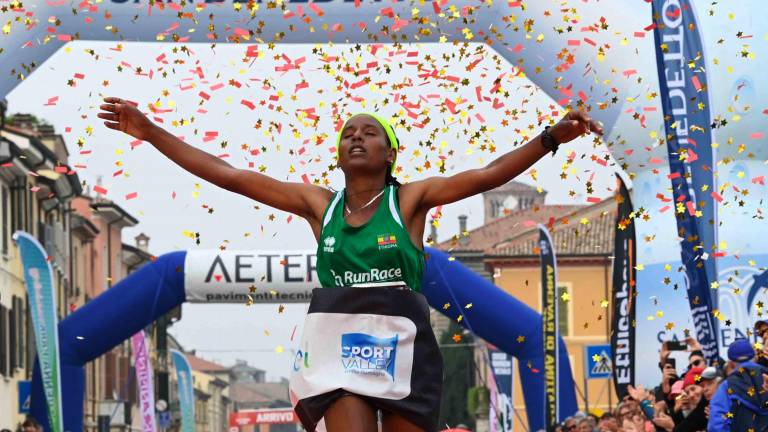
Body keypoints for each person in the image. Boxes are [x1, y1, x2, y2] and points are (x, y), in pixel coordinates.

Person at [97, 98, 602, 432]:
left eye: (369, 133)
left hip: (404, 346)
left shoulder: (410, 200)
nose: (356, 138)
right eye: (347, 135)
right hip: (338, 351)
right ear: (339, 156)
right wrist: (150, 131)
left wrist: (553, 137)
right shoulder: (322, 206)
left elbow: (489, 174)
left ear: (390, 153)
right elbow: (229, 175)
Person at [708, 338, 768, 432]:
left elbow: (716, 425)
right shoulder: (766, 378)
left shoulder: (726, 387)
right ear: (755, 357)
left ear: (731, 363)